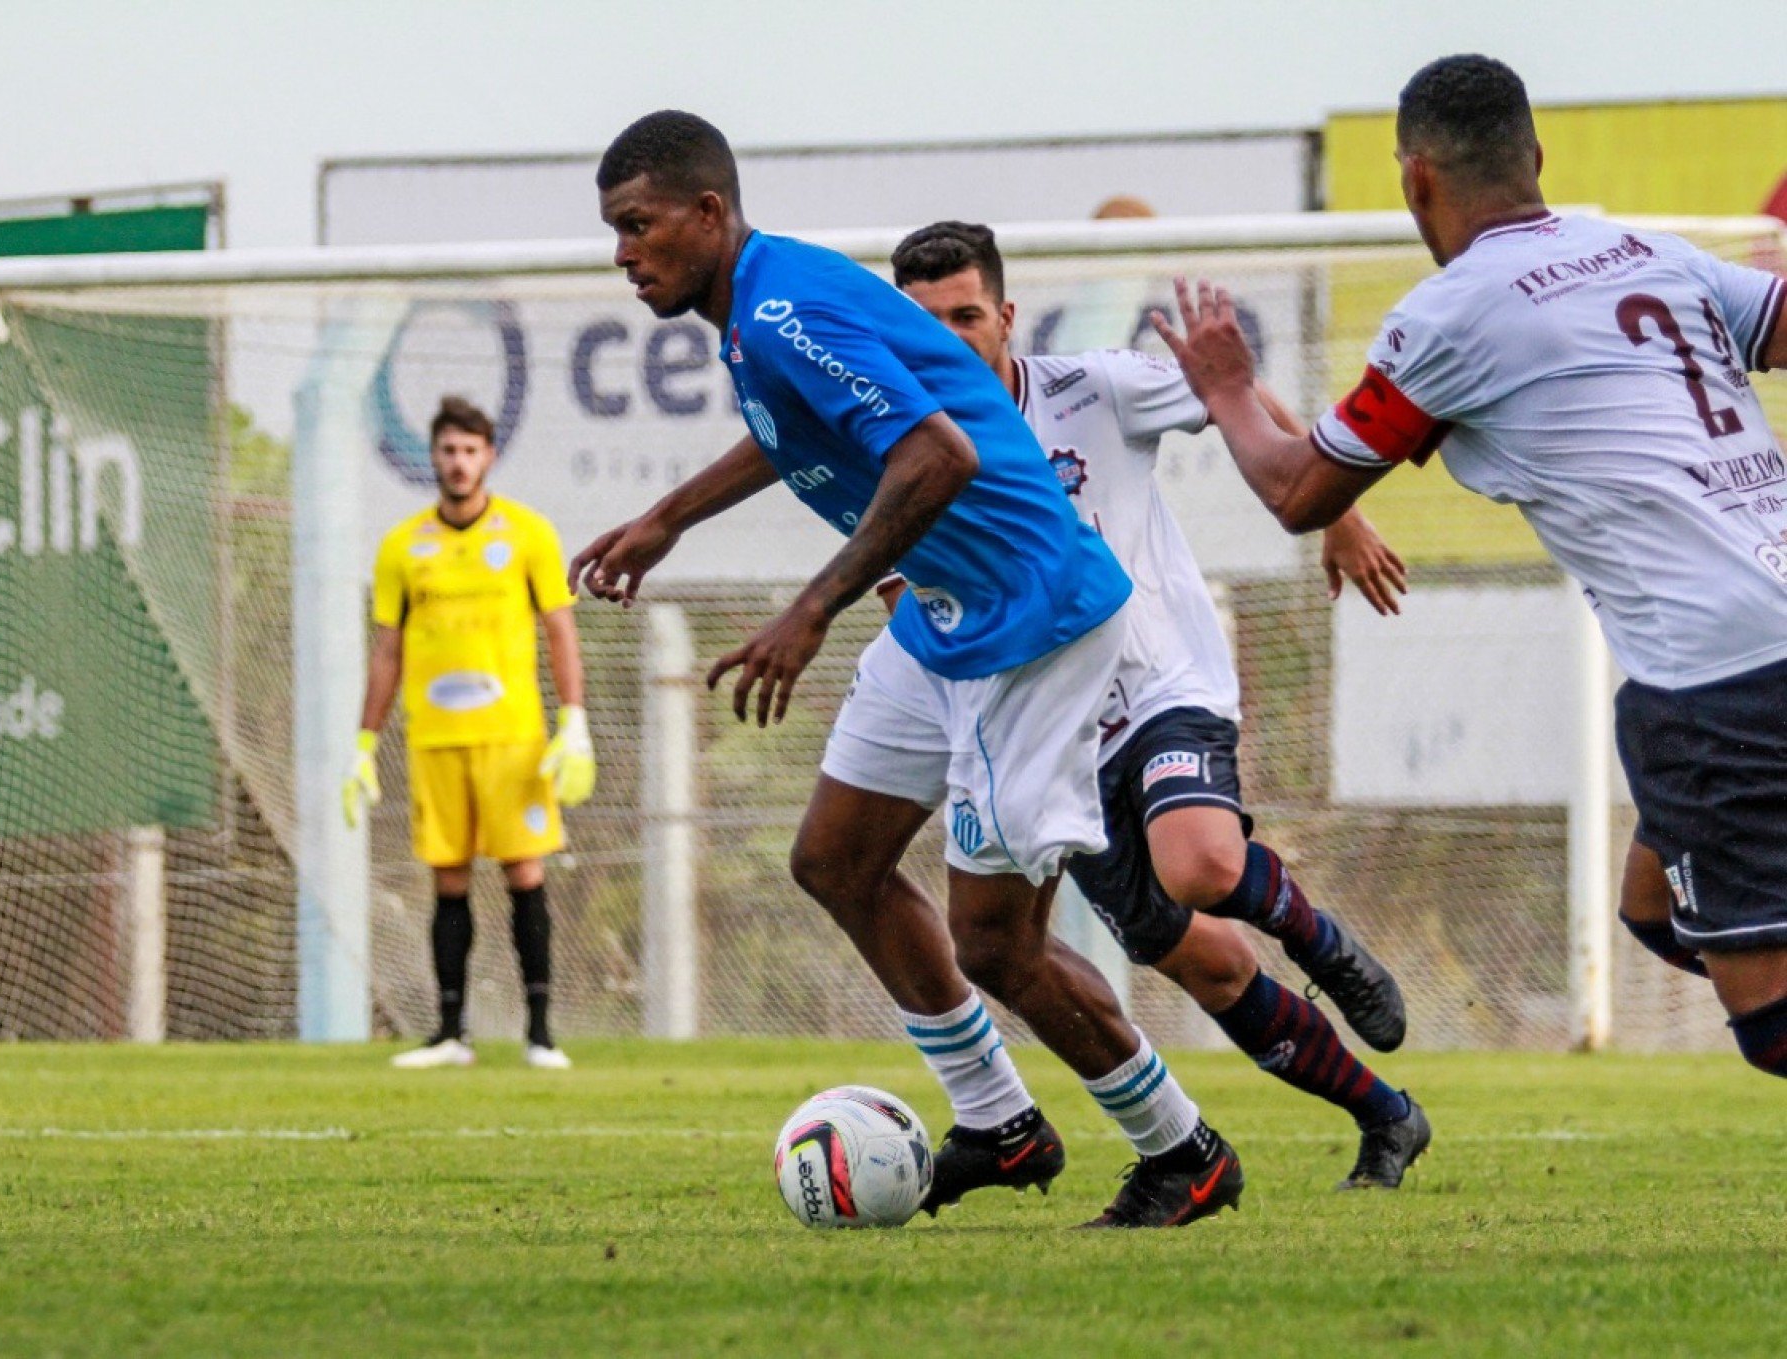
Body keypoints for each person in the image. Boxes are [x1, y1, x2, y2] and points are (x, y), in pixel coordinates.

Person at [576, 110, 1243, 1228]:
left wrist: (811, 608)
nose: (622, 255)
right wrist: (666, 517)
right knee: (835, 860)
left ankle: (1185, 1151)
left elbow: (941, 452)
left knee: (996, 942)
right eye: (613, 232)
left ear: (707, 213)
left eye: (638, 227)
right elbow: (797, 433)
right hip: (947, 621)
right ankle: (999, 1121)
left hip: (1030, 624)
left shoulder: (782, 308)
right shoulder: (762, 309)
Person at [1156, 54, 1787, 1074]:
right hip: (1737, 645)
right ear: (1536, 156)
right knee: (1647, 908)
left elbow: (1298, 491)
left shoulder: (1453, 315)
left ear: (1417, 180)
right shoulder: (1647, 249)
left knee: (1771, 1027)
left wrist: (1229, 388)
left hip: (1718, 677)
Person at [890, 221, 1431, 1189]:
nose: (951, 336)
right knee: (1207, 966)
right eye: (926, 321)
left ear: (1006, 317)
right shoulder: (901, 455)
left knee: (1203, 864)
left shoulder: (1090, 387)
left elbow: (1233, 395)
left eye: (967, 315)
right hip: (1056, 740)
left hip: (1162, 685)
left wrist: (1337, 514)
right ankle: (1386, 1116)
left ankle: (1326, 946)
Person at [343, 395, 595, 1071]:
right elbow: (388, 650)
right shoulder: (403, 546)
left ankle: (540, 1033)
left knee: (524, 870)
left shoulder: (528, 534)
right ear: (434, 456)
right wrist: (365, 742)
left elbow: (560, 628)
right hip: (435, 738)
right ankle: (451, 1032)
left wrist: (574, 719)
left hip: (513, 737)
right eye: (448, 450)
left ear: (488, 455)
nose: (458, 462)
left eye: (470, 450)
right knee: (447, 879)